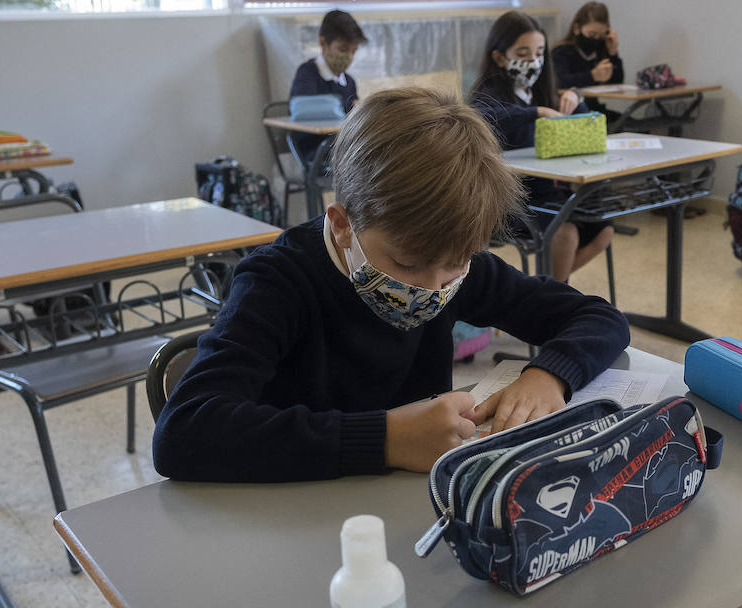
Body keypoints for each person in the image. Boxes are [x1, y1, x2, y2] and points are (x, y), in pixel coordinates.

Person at [152, 87, 629, 483]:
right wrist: (387, 439)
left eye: (455, 265)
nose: (433, 287)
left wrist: (549, 375)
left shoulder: (453, 266)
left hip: (410, 503)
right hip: (301, 509)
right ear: (342, 224)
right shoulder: (277, 281)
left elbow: (599, 317)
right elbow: (184, 432)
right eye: (407, 263)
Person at [470, 10, 614, 284]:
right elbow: (483, 115)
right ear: (500, 57)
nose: (533, 61)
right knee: (566, 232)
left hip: (552, 195)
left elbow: (582, 123)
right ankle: (553, 299)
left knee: (603, 231)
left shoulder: (543, 90)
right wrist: (536, 112)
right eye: (523, 54)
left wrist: (576, 96)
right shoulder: (489, 94)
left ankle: (543, 288)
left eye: (538, 53)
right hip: (512, 201)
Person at [287, 9, 367, 162]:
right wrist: (350, 105)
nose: (349, 56)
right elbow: (304, 109)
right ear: (323, 43)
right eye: (343, 49)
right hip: (315, 151)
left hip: (343, 146)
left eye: (354, 51)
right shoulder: (308, 73)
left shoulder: (349, 81)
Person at [551, 1, 624, 90]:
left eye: (601, 36)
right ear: (577, 28)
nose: (596, 39)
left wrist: (613, 54)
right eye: (592, 35)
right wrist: (592, 76)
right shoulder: (561, 52)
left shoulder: (601, 49)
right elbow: (558, 82)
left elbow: (617, 83)